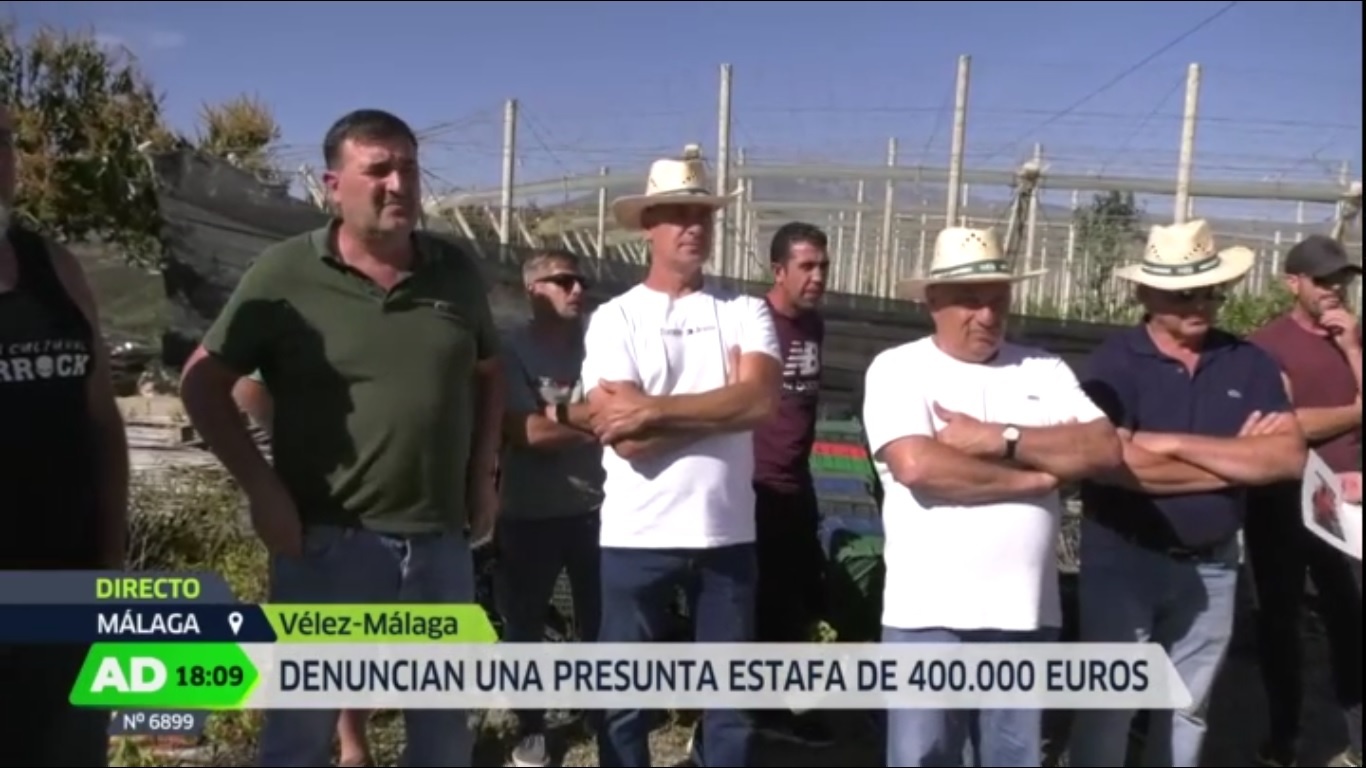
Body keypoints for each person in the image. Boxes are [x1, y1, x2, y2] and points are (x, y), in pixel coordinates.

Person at [180, 108, 503, 768]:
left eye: (408, 169)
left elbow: (490, 372)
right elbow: (202, 384)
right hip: (327, 545)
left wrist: (483, 474)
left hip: (440, 544)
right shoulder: (285, 273)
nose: (398, 184)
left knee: (444, 737)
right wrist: (262, 490)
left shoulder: (454, 271)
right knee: (300, 736)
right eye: (378, 170)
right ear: (333, 187)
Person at [863, 226, 1122, 767]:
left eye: (997, 300)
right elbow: (919, 466)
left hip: (1024, 613)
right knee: (923, 756)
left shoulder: (1043, 369)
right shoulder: (899, 368)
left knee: (1013, 754)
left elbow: (1102, 449)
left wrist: (1001, 438)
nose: (986, 315)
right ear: (933, 301)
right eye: (970, 300)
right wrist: (1034, 478)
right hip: (927, 614)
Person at [1069, 219, 1308, 768]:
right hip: (1123, 558)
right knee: (1109, 705)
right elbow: (1112, 464)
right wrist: (1237, 462)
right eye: (1183, 295)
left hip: (1214, 565)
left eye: (1210, 291)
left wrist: (1171, 443)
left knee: (1187, 707)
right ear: (1146, 296)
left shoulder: (1248, 362)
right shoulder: (1114, 364)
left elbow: (1286, 458)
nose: (1200, 304)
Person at [582, 144, 782, 768]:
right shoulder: (615, 318)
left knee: (731, 701)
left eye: (703, 215)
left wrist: (654, 408)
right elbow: (626, 439)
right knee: (623, 698)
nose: (694, 226)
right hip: (637, 535)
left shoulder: (745, 309)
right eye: (677, 214)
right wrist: (724, 404)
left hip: (726, 535)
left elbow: (761, 401)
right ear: (649, 225)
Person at [0, 102, 128, 767]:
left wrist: (112, 548)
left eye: (1, 141)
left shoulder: (54, 267)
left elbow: (100, 413)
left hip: (65, 584)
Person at [1245, 234, 1362, 768]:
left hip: (1351, 506)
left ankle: (1357, 743)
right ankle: (1284, 739)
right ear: (1293, 283)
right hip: (1284, 501)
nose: (1335, 289)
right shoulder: (1265, 346)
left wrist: (1353, 349)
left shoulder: (1355, 337)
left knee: (1351, 619)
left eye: (1342, 279)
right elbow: (1288, 426)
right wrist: (1358, 411)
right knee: (1280, 620)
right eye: (1323, 280)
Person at [231, 373, 374, 768]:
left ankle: (353, 746)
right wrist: (299, 434)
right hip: (314, 506)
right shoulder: (303, 334)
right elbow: (245, 385)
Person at [497, 249, 604, 768]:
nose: (576, 289)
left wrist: (554, 414)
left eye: (580, 281)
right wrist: (598, 422)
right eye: (562, 281)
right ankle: (532, 726)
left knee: (601, 621)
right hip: (528, 514)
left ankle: (601, 713)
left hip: (599, 510)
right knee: (524, 624)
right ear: (532, 290)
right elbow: (527, 433)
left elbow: (626, 408)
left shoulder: (602, 343)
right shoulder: (509, 349)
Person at [749, 221, 833, 745]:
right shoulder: (753, 324)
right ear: (778, 270)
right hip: (755, 486)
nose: (818, 276)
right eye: (807, 266)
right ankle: (758, 711)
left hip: (796, 483)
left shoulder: (813, 325)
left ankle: (774, 706)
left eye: (823, 266)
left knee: (794, 599)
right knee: (762, 600)